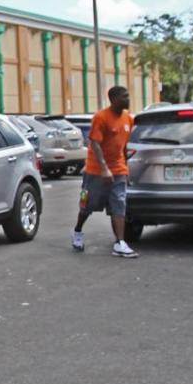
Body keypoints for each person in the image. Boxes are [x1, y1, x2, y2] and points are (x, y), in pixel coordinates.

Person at [71, 85, 137, 257]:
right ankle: (78, 231)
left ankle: (120, 243)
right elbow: (95, 143)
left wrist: (125, 168)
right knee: (87, 206)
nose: (128, 99)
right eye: (125, 96)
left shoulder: (128, 119)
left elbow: (123, 146)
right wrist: (104, 169)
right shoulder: (101, 117)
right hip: (96, 171)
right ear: (114, 99)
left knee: (119, 204)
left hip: (119, 170)